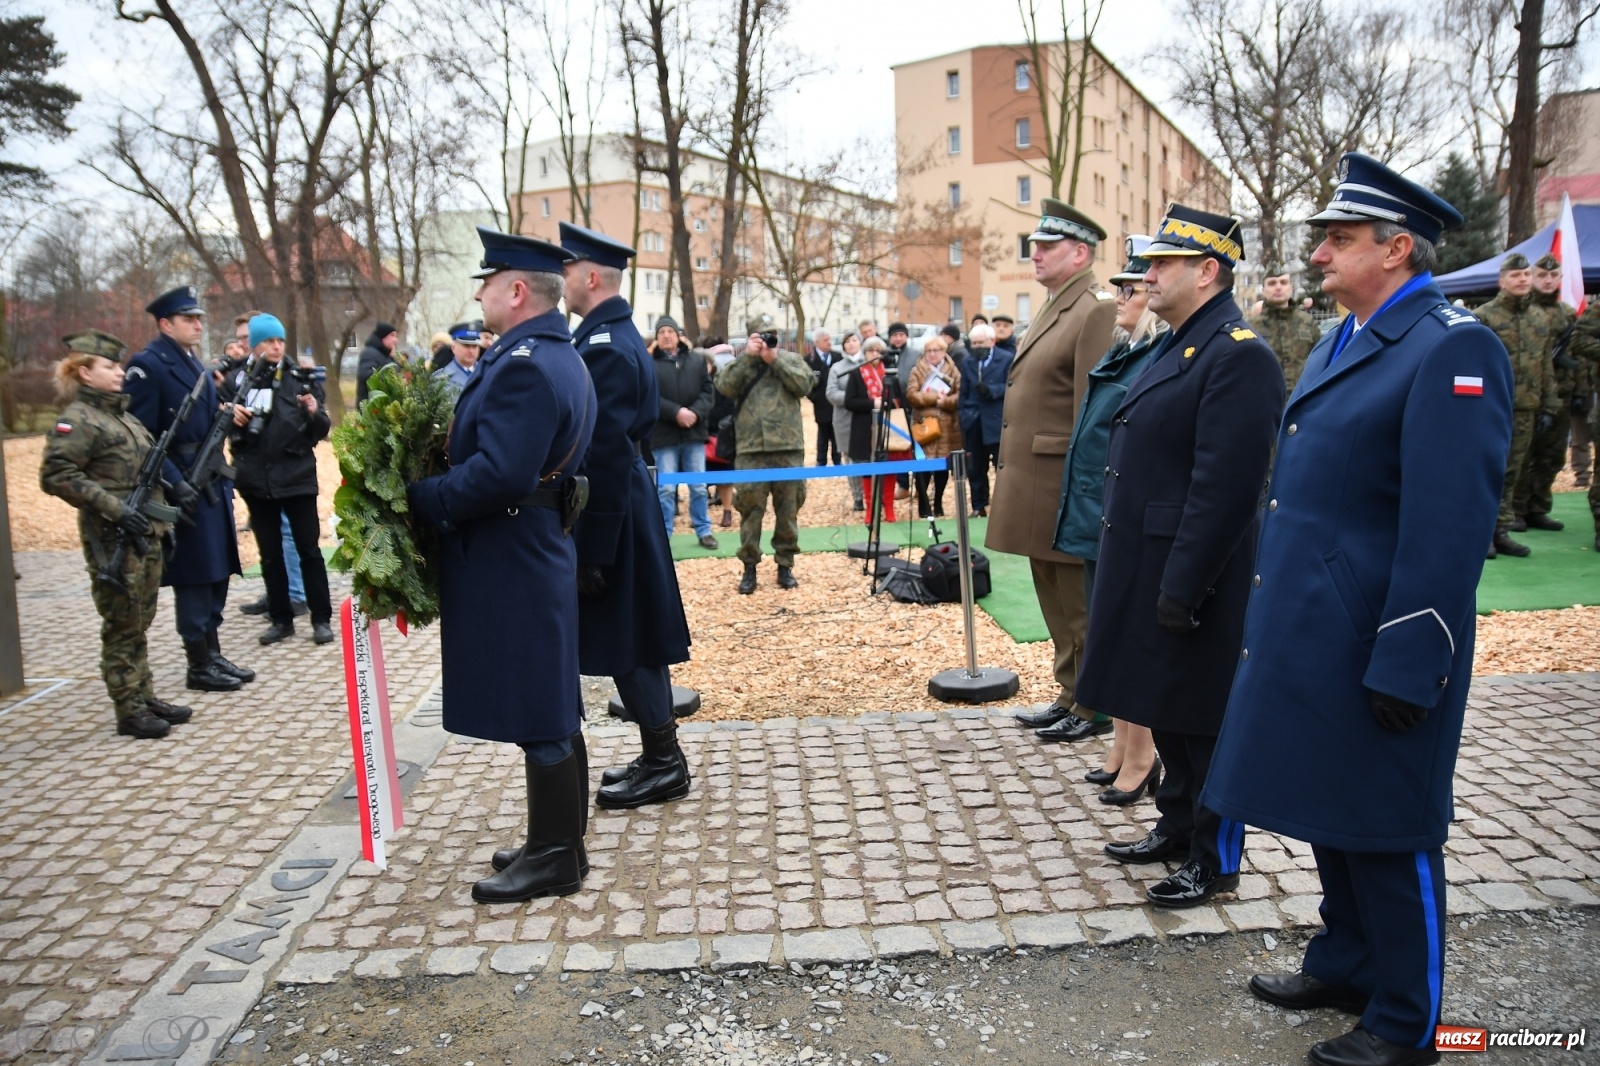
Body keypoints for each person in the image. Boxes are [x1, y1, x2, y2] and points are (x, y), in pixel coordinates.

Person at [1203, 153, 1514, 1066]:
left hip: (1384, 634)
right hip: (1315, 627)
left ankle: (1409, 1020)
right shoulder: (1347, 335)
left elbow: (1449, 525)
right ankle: (1345, 959)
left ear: (1398, 248)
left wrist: (1414, 655)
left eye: (1340, 238)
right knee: (1332, 808)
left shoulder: (1451, 344)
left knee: (1390, 827)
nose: (1322, 252)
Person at [1076, 204, 1284, 909]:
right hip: (1148, 559)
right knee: (1166, 706)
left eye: (1163, 263)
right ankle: (1175, 825)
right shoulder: (1178, 341)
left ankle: (1213, 856)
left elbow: (1226, 488)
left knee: (1203, 722)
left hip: (1197, 574)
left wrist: (1185, 583)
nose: (1148, 274)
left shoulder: (1239, 352)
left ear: (1208, 271)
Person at [407, 227, 596, 904]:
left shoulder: (524, 363)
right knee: (549, 704)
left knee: (540, 709)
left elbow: (500, 474)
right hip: (532, 546)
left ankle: (554, 856)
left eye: (487, 283)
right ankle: (560, 842)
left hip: (515, 550)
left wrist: (423, 498)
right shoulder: (550, 354)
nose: (481, 293)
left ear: (517, 291)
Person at [556, 221, 695, 811]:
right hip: (625, 504)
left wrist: (594, 547)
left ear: (591, 276)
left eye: (566, 271)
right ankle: (660, 752)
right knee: (634, 636)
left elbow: (606, 451)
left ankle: (665, 763)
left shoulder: (606, 344)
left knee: (629, 639)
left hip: (615, 508)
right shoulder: (608, 335)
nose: (559, 282)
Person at [984, 198, 1117, 741]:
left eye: (1046, 246)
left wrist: (1086, 483)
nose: (1034, 255)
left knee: (1077, 596)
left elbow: (1095, 405)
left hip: (1063, 475)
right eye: (1034, 246)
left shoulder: (1096, 307)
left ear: (1079, 252)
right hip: (1037, 475)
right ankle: (1070, 691)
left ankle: (1095, 701)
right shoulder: (1057, 301)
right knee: (1050, 589)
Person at [1052, 236, 1167, 804]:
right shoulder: (1126, 348)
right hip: (1100, 511)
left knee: (1126, 635)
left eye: (1132, 287)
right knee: (1107, 628)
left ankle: (1142, 752)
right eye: (1120, 286)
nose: (1120, 296)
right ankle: (1123, 741)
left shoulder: (1154, 353)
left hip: (1121, 514)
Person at [41, 330, 191, 739]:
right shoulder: (78, 420)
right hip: (113, 537)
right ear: (84, 373)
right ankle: (128, 708)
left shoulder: (121, 416)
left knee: (140, 619)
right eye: (109, 366)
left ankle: (144, 694)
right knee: (122, 622)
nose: (119, 372)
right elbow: (56, 475)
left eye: (117, 365)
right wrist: (115, 508)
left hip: (144, 530)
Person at [124, 286, 252, 693]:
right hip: (184, 481)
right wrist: (175, 483)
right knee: (196, 574)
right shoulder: (149, 365)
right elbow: (142, 437)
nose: (198, 325)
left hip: (210, 477)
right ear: (165, 324)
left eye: (198, 318)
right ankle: (198, 663)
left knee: (217, 570)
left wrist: (224, 414)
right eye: (188, 319)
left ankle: (212, 652)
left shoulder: (192, 361)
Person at [229, 314, 335, 646]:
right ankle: (280, 619)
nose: (276, 347)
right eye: (269, 342)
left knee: (309, 550)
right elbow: (225, 430)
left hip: (297, 477)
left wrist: (314, 412)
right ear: (254, 345)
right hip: (257, 481)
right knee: (270, 554)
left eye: (280, 341)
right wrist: (231, 417)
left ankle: (321, 618)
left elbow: (320, 432)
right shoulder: (238, 381)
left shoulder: (299, 379)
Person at [716, 316, 816, 594]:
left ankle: (785, 565)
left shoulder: (790, 359)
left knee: (788, 510)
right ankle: (749, 566)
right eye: (761, 335)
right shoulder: (741, 364)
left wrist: (776, 361)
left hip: (788, 448)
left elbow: (805, 385)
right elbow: (723, 386)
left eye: (771, 334)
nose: (767, 340)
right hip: (751, 450)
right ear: (750, 337)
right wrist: (747, 357)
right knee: (750, 510)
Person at [1475, 252, 1557, 559]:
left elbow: (1544, 364)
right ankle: (1482, 534)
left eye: (1525, 275)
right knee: (1487, 470)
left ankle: (1501, 530)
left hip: (1526, 407)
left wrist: (1550, 403)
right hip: (1491, 406)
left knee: (1513, 472)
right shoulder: (1485, 316)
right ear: (1502, 281)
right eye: (1515, 276)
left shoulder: (1540, 317)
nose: (1522, 280)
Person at [230, 311, 307, 622]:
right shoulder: (242, 376)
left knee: (288, 533)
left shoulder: (289, 375)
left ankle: (296, 594)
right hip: (254, 470)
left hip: (284, 469)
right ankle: (277, 593)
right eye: (239, 340)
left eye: (246, 339)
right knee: (269, 542)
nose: (241, 346)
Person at [1517, 253, 1591, 531]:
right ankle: (1517, 509)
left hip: (1561, 394)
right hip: (1526, 393)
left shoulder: (1566, 313)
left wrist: (1581, 391)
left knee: (1553, 455)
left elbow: (1578, 357)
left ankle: (1538, 507)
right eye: (1542, 276)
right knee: (1522, 456)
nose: (1548, 281)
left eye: (1553, 276)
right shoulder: (1522, 311)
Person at [648, 315, 717, 548]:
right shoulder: (650, 365)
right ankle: (664, 533)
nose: (666, 335)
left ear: (678, 335)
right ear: (656, 339)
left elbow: (708, 392)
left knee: (698, 486)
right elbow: (649, 397)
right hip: (664, 434)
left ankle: (703, 530)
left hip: (694, 433)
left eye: (670, 331)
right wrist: (676, 412)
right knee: (666, 488)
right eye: (661, 332)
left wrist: (694, 413)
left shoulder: (697, 361)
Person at [906, 335, 962, 517]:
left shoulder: (953, 370)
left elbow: (960, 394)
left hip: (947, 424)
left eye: (936, 350)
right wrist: (933, 398)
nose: (932, 354)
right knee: (923, 466)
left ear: (944, 352)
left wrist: (945, 402)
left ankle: (938, 502)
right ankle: (923, 503)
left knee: (942, 467)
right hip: (925, 423)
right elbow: (912, 395)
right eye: (929, 351)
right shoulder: (917, 370)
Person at [844, 337, 899, 525]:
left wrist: (887, 402)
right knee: (868, 468)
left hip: (888, 426)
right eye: (871, 351)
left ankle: (889, 507)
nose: (875, 354)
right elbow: (849, 402)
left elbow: (900, 399)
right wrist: (871, 403)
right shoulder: (857, 374)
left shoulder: (890, 373)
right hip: (864, 427)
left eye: (878, 350)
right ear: (865, 353)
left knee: (889, 467)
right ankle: (870, 508)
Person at [957, 322, 1010, 517]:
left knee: (1000, 465)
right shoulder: (968, 362)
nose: (977, 347)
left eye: (981, 343)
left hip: (996, 420)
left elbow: (1012, 387)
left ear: (992, 341)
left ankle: (1004, 506)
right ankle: (979, 505)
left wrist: (992, 391)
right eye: (974, 343)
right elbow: (963, 392)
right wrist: (964, 415)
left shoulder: (1006, 359)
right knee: (975, 467)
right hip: (974, 420)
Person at [1248, 265, 1322, 395]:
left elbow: (1321, 360)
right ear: (1263, 290)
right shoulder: (1252, 327)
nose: (1278, 287)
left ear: (1291, 287)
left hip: (1303, 399)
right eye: (1272, 283)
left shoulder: (1307, 322)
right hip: (1266, 402)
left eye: (1283, 282)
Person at [825, 331, 867, 511]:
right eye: (847, 341)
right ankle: (857, 497)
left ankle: (873, 495)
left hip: (866, 419)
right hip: (845, 419)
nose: (851, 344)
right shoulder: (837, 368)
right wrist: (853, 398)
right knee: (851, 459)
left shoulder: (868, 363)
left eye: (854, 340)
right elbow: (831, 393)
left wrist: (863, 400)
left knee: (870, 458)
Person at [804, 329, 843, 467]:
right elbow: (805, 383)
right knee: (823, 433)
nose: (829, 343)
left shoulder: (838, 357)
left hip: (836, 403)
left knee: (836, 433)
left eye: (829, 339)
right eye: (826, 340)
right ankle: (821, 461)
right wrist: (814, 397)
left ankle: (837, 460)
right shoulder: (809, 360)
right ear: (817, 342)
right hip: (820, 403)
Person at [355, 321, 398, 407]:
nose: (396, 340)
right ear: (383, 337)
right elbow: (367, 376)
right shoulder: (369, 353)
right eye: (392, 335)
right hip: (371, 409)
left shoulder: (385, 355)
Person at [433, 321, 483, 392]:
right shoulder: (440, 378)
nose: (471, 351)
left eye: (474, 346)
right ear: (453, 348)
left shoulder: (488, 372)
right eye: (466, 345)